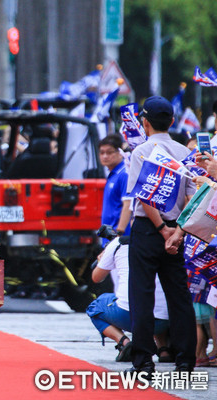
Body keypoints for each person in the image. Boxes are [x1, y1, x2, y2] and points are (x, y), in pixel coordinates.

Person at [126, 95, 197, 375]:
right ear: (171, 122)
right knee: (178, 294)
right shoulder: (184, 152)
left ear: (144, 122)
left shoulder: (141, 151)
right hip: (178, 231)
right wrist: (176, 231)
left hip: (148, 229)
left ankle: (143, 360)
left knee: (141, 295)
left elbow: (145, 195)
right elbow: (195, 196)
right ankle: (185, 359)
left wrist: (161, 228)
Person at [86, 236, 170, 362]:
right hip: (166, 320)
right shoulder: (167, 242)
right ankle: (163, 349)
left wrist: (101, 260)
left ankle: (123, 342)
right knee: (156, 299)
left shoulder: (118, 244)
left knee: (96, 306)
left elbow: (96, 278)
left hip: (130, 317)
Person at [99, 134, 132, 242]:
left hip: (119, 239)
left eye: (109, 152)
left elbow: (128, 205)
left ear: (120, 152)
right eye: (102, 152)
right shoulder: (113, 174)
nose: (105, 156)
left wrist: (119, 234)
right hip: (109, 238)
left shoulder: (124, 174)